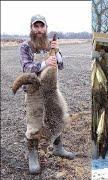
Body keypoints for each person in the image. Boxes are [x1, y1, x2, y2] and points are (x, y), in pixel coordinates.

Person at [20, 14, 75, 174]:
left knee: (56, 117)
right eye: (35, 26)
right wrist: (45, 63)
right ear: (31, 28)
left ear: (45, 28)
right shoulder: (25, 46)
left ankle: (58, 148)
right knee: (35, 122)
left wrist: (56, 52)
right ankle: (32, 154)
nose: (39, 29)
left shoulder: (50, 45)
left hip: (51, 89)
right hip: (34, 90)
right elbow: (27, 68)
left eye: (41, 26)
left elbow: (62, 65)